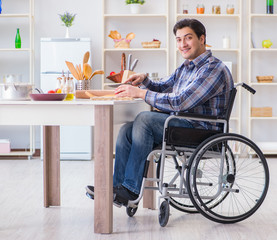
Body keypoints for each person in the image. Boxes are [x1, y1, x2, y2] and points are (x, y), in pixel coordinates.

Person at [86, 18, 234, 206]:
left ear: (202, 39)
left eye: (188, 38)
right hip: (184, 125)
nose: (182, 44)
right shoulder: (187, 66)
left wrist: (140, 93)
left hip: (201, 131)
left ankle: (130, 189)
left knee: (144, 119)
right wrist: (144, 80)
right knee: (126, 130)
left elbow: (180, 102)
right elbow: (164, 86)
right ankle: (117, 188)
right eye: (179, 40)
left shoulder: (213, 69)